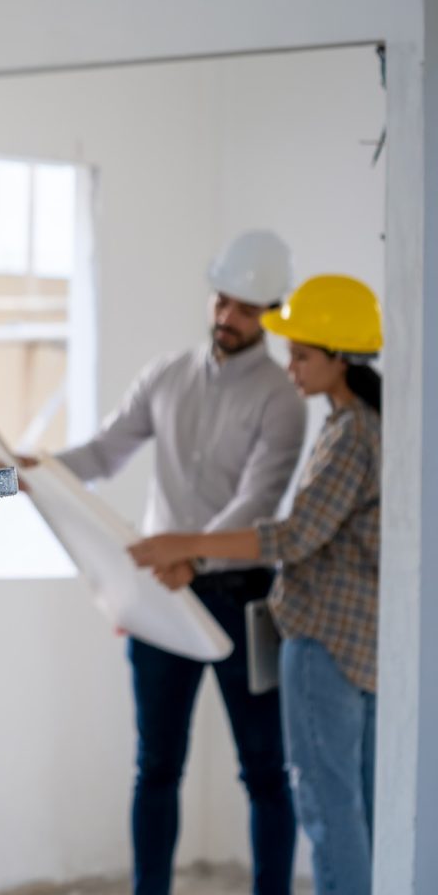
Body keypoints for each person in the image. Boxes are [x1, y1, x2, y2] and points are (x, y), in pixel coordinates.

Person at [26, 231, 307, 895]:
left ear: (271, 312)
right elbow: (104, 453)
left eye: (245, 309)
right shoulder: (165, 374)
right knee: (156, 765)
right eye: (222, 301)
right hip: (161, 593)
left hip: (245, 599)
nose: (227, 318)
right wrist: (38, 468)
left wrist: (192, 557)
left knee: (265, 769)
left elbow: (256, 504)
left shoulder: (282, 399)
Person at [132, 275, 383, 895]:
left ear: (340, 358)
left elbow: (290, 537)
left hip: (324, 642)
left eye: (301, 354)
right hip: (350, 644)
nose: (289, 367)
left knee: (327, 810)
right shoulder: (362, 426)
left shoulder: (351, 433)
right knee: (349, 802)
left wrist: (186, 543)